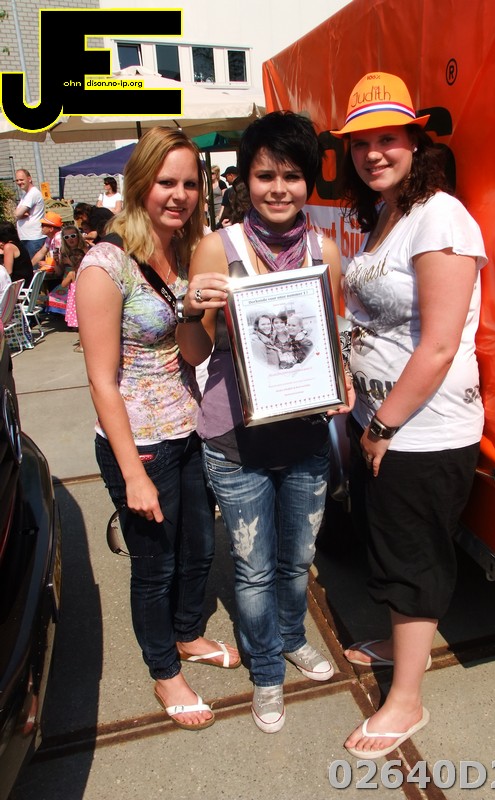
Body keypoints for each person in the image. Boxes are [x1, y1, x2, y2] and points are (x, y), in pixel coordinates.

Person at [330, 72, 487, 758]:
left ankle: (406, 701)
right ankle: (401, 645)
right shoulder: (388, 213)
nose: (373, 153)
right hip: (380, 418)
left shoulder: (439, 216)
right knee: (387, 543)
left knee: (413, 558)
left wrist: (383, 425)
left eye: (387, 139)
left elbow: (441, 344)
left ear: (415, 142)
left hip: (421, 429)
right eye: (360, 143)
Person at [176, 111, 347, 734]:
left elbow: (330, 339)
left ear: (309, 182)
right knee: (252, 566)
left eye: (292, 176)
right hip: (234, 439)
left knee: (298, 558)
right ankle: (267, 668)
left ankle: (293, 635)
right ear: (245, 178)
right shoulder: (217, 248)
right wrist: (189, 311)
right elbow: (194, 352)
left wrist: (341, 380)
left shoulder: (325, 252)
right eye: (265, 175)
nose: (279, 188)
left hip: (304, 435)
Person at [76, 126, 240, 732]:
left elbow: (194, 353)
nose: (180, 195)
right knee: (155, 566)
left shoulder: (186, 252)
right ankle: (164, 669)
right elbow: (101, 381)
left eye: (190, 184)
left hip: (188, 428)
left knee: (200, 548)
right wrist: (132, 475)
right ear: (142, 183)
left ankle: (188, 634)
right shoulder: (105, 265)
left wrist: (196, 311)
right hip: (140, 442)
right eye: (167, 182)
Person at [60, 225, 89, 347]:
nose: (70, 239)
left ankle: (82, 343)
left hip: (77, 284)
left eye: (73, 236)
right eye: (67, 237)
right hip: (75, 283)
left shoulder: (85, 249)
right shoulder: (63, 252)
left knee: (81, 319)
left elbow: (63, 284)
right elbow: (59, 272)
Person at [14, 169, 45, 259]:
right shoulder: (26, 195)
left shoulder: (33, 193)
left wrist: (19, 214)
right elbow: (16, 213)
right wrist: (19, 214)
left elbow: (18, 213)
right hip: (27, 237)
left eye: (21, 180)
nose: (19, 182)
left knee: (35, 265)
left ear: (29, 179)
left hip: (34, 238)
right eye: (17, 180)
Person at [0, 221, 34, 287]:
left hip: (18, 286)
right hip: (26, 283)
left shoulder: (9, 247)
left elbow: (8, 273)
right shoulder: (19, 244)